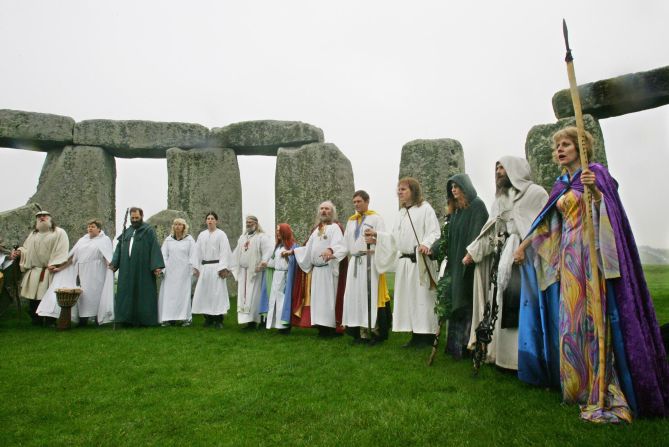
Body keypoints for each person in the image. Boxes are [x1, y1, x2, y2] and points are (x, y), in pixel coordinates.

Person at [515, 127, 669, 422]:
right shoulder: (560, 184)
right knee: (571, 319)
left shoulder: (596, 173)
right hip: (570, 258)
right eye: (557, 145)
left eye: (566, 144)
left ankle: (605, 387)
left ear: (581, 148)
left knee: (597, 318)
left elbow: (611, 209)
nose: (560, 149)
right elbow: (547, 223)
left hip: (595, 254)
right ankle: (580, 387)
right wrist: (524, 245)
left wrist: (596, 192)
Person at [464, 157, 547, 369]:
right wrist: (473, 252)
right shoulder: (500, 199)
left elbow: (543, 226)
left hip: (528, 258)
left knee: (522, 303)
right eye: (497, 168)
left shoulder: (535, 193)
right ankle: (504, 358)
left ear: (516, 170)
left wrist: (522, 248)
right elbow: (490, 229)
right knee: (500, 304)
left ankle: (525, 360)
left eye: (503, 167)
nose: (499, 172)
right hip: (502, 258)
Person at [371, 178, 440, 348]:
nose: (399, 192)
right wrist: (377, 236)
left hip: (420, 261)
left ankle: (428, 335)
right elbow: (394, 238)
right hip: (405, 263)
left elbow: (434, 232)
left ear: (414, 191)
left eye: (403, 189)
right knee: (410, 300)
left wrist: (426, 244)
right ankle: (415, 335)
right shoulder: (401, 213)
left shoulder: (425, 209)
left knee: (423, 299)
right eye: (398, 189)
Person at [430, 174, 488, 358]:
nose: (454, 190)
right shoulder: (455, 212)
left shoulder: (477, 206)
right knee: (454, 301)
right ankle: (454, 347)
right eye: (452, 187)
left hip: (469, 264)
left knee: (467, 302)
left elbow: (479, 234)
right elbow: (447, 237)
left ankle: (468, 346)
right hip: (454, 264)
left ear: (466, 187)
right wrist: (434, 248)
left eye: (457, 186)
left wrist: (470, 254)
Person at [37, 219, 115, 326]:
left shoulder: (104, 240)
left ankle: (97, 318)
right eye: (89, 227)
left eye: (93, 226)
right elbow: (72, 257)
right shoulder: (83, 240)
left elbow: (107, 256)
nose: (90, 228)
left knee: (95, 295)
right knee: (83, 295)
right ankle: (83, 319)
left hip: (96, 272)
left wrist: (110, 266)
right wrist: (59, 268)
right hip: (82, 272)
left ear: (99, 229)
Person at [339, 190, 391, 344]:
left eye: (359, 201)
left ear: (367, 201)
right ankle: (360, 333)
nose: (356, 205)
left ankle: (374, 331)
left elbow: (385, 238)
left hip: (370, 261)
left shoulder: (376, 218)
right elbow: (345, 244)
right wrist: (332, 254)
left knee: (370, 296)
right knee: (355, 297)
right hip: (355, 262)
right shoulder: (351, 221)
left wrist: (376, 241)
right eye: (354, 202)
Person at [293, 201, 346, 337]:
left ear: (332, 212)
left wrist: (330, 249)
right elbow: (308, 248)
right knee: (317, 300)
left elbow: (341, 245)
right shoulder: (317, 229)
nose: (324, 211)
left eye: (327, 209)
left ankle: (330, 328)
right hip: (317, 271)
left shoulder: (335, 228)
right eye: (321, 209)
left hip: (328, 270)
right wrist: (293, 252)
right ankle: (321, 327)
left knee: (328, 300)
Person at [10, 210, 69, 325]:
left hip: (50, 271)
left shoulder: (59, 233)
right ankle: (36, 319)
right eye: (39, 216)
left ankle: (50, 320)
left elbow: (62, 249)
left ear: (50, 218)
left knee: (50, 297)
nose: (42, 217)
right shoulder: (33, 235)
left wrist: (55, 263)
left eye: (45, 216)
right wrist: (20, 252)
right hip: (35, 271)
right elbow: (26, 250)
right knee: (34, 298)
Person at [110, 207, 164, 327]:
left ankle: (144, 320)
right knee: (125, 293)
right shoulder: (126, 231)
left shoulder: (148, 230)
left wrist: (156, 266)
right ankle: (125, 319)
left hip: (142, 268)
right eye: (132, 218)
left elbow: (154, 247)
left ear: (141, 216)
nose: (134, 220)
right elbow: (119, 248)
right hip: (126, 268)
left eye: (136, 218)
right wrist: (114, 263)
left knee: (143, 293)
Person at [231, 216, 273, 329]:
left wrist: (263, 262)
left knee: (256, 297)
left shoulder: (262, 237)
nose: (248, 224)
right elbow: (236, 252)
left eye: (250, 222)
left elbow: (268, 250)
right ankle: (250, 322)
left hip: (256, 273)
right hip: (244, 272)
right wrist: (232, 265)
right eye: (247, 222)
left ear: (256, 223)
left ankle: (260, 320)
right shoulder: (242, 237)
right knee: (244, 298)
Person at [191, 212, 232, 329]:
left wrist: (223, 268)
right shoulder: (202, 235)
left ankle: (219, 319)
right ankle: (208, 318)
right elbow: (197, 252)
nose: (210, 221)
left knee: (217, 294)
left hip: (216, 268)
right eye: (208, 219)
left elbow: (225, 252)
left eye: (212, 219)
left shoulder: (221, 234)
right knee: (204, 293)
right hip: (204, 268)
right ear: (205, 221)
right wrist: (196, 267)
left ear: (216, 221)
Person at [259, 223, 299, 332]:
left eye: (279, 230)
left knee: (283, 300)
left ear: (284, 232)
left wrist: (287, 257)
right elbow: (274, 262)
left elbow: (295, 263)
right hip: (277, 275)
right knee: (275, 300)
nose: (277, 232)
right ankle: (277, 325)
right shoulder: (278, 246)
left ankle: (285, 326)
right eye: (276, 230)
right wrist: (265, 264)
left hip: (286, 276)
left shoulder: (293, 246)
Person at [158, 218, 195, 326]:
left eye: (180, 224)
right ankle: (169, 319)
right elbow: (163, 256)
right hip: (170, 272)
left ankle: (185, 319)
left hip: (184, 272)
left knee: (184, 295)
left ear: (184, 227)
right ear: (173, 226)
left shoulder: (189, 240)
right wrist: (163, 269)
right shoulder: (168, 240)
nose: (177, 226)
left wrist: (191, 270)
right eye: (175, 224)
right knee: (169, 296)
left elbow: (193, 255)